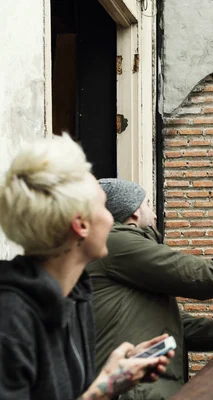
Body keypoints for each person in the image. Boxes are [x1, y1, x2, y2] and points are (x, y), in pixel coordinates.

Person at [0, 135, 172, 400]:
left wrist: (110, 376)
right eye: (103, 206)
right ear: (81, 225)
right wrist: (105, 389)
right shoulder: (10, 319)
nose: (110, 218)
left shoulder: (76, 293)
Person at [87, 178, 213, 399]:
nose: (155, 214)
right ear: (134, 212)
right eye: (148, 204)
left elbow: (181, 327)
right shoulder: (118, 244)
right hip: (135, 393)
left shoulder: (128, 254)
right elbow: (207, 277)